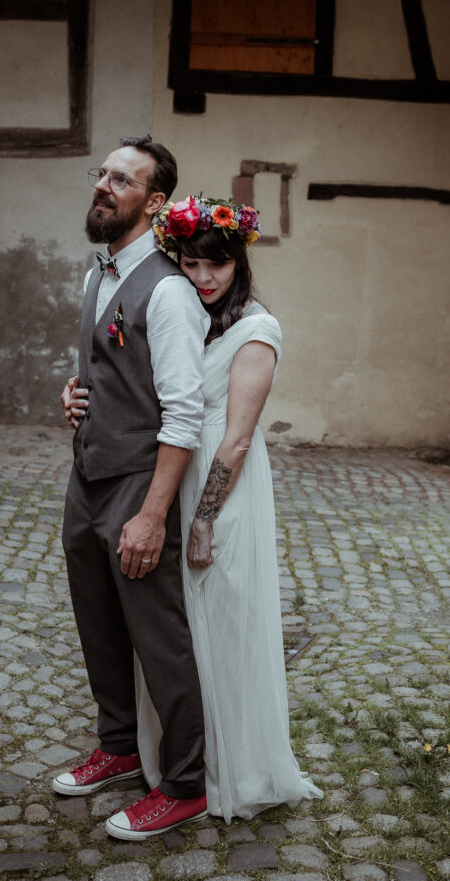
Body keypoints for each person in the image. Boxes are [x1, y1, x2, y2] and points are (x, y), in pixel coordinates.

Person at [134, 193, 323, 824]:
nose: (205, 277)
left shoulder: (256, 329)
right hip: (182, 475)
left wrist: (205, 517)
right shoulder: (193, 319)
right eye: (191, 263)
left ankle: (235, 768)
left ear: (240, 262)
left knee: (225, 619)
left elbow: (237, 437)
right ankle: (188, 757)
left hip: (225, 491)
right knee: (185, 626)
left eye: (218, 264)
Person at [53, 136, 211, 841]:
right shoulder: (97, 276)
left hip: (138, 486)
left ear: (152, 202)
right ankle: (118, 747)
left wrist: (151, 516)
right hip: (86, 476)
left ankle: (182, 785)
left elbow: (185, 414)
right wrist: (74, 397)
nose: (103, 185)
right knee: (98, 622)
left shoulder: (170, 291)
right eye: (102, 173)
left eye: (122, 179)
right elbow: (103, 368)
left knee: (158, 637)